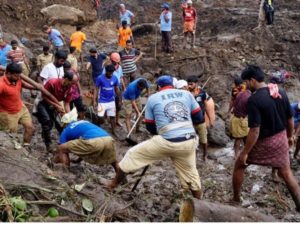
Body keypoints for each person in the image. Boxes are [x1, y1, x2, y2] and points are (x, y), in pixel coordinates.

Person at [107, 75, 204, 199]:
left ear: (158, 87)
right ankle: (199, 203)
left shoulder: (153, 98)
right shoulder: (187, 94)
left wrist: (163, 130)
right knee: (191, 174)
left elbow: (150, 127)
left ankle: (112, 185)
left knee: (132, 154)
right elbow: (198, 118)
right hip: (189, 140)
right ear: (173, 85)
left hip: (167, 140)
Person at [232, 65, 300, 212]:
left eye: (246, 82)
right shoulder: (279, 91)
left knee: (239, 165)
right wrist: (290, 136)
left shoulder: (254, 100)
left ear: (252, 80)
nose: (245, 86)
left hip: (264, 141)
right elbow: (290, 118)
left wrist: (245, 152)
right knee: (287, 173)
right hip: (281, 138)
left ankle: (236, 199)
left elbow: (255, 131)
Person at [53, 113, 119, 174]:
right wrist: (78, 160)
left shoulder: (66, 130)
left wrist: (54, 161)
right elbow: (82, 147)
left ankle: (65, 172)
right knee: (113, 161)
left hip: (93, 141)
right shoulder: (85, 122)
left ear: (64, 124)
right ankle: (122, 179)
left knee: (61, 148)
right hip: (108, 139)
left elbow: (61, 149)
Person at [36, 71, 77, 151]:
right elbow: (44, 96)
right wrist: (56, 105)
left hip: (56, 105)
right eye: (72, 83)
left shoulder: (70, 89)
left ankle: (64, 143)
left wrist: (68, 116)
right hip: (43, 103)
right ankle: (48, 145)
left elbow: (67, 104)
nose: (73, 85)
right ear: (66, 79)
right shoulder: (52, 83)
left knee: (60, 124)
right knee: (47, 122)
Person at [0, 63, 36, 146]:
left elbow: (23, 84)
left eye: (19, 75)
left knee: (30, 128)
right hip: (8, 114)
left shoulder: (17, 79)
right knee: (12, 136)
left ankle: (26, 146)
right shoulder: (1, 84)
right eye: (16, 76)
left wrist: (36, 87)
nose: (18, 78)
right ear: (8, 74)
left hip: (21, 107)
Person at [93, 64, 121, 136]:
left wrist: (120, 99)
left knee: (112, 117)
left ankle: (113, 131)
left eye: (112, 72)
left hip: (111, 100)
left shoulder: (115, 78)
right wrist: (94, 101)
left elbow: (117, 89)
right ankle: (97, 124)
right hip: (102, 101)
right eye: (109, 72)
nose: (111, 74)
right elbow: (96, 89)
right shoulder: (100, 78)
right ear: (106, 71)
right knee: (101, 117)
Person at [187, 75, 210, 161]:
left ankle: (205, 155)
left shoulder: (202, 92)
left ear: (196, 83)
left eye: (191, 84)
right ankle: (194, 156)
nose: (189, 86)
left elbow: (206, 105)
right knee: (192, 141)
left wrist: (210, 119)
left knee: (204, 140)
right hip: (190, 123)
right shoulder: (186, 94)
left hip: (201, 121)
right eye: (188, 84)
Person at [102, 52, 125, 126]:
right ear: (111, 60)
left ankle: (117, 121)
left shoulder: (120, 67)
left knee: (118, 105)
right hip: (109, 88)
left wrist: (124, 87)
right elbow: (103, 78)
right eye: (114, 62)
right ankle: (105, 119)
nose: (116, 63)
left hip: (118, 88)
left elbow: (121, 77)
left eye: (117, 62)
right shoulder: (107, 68)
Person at [230, 85, 251, 159]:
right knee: (240, 138)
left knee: (241, 137)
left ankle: (241, 153)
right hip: (241, 119)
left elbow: (233, 104)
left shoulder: (241, 94)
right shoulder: (249, 97)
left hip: (235, 117)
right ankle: (238, 155)